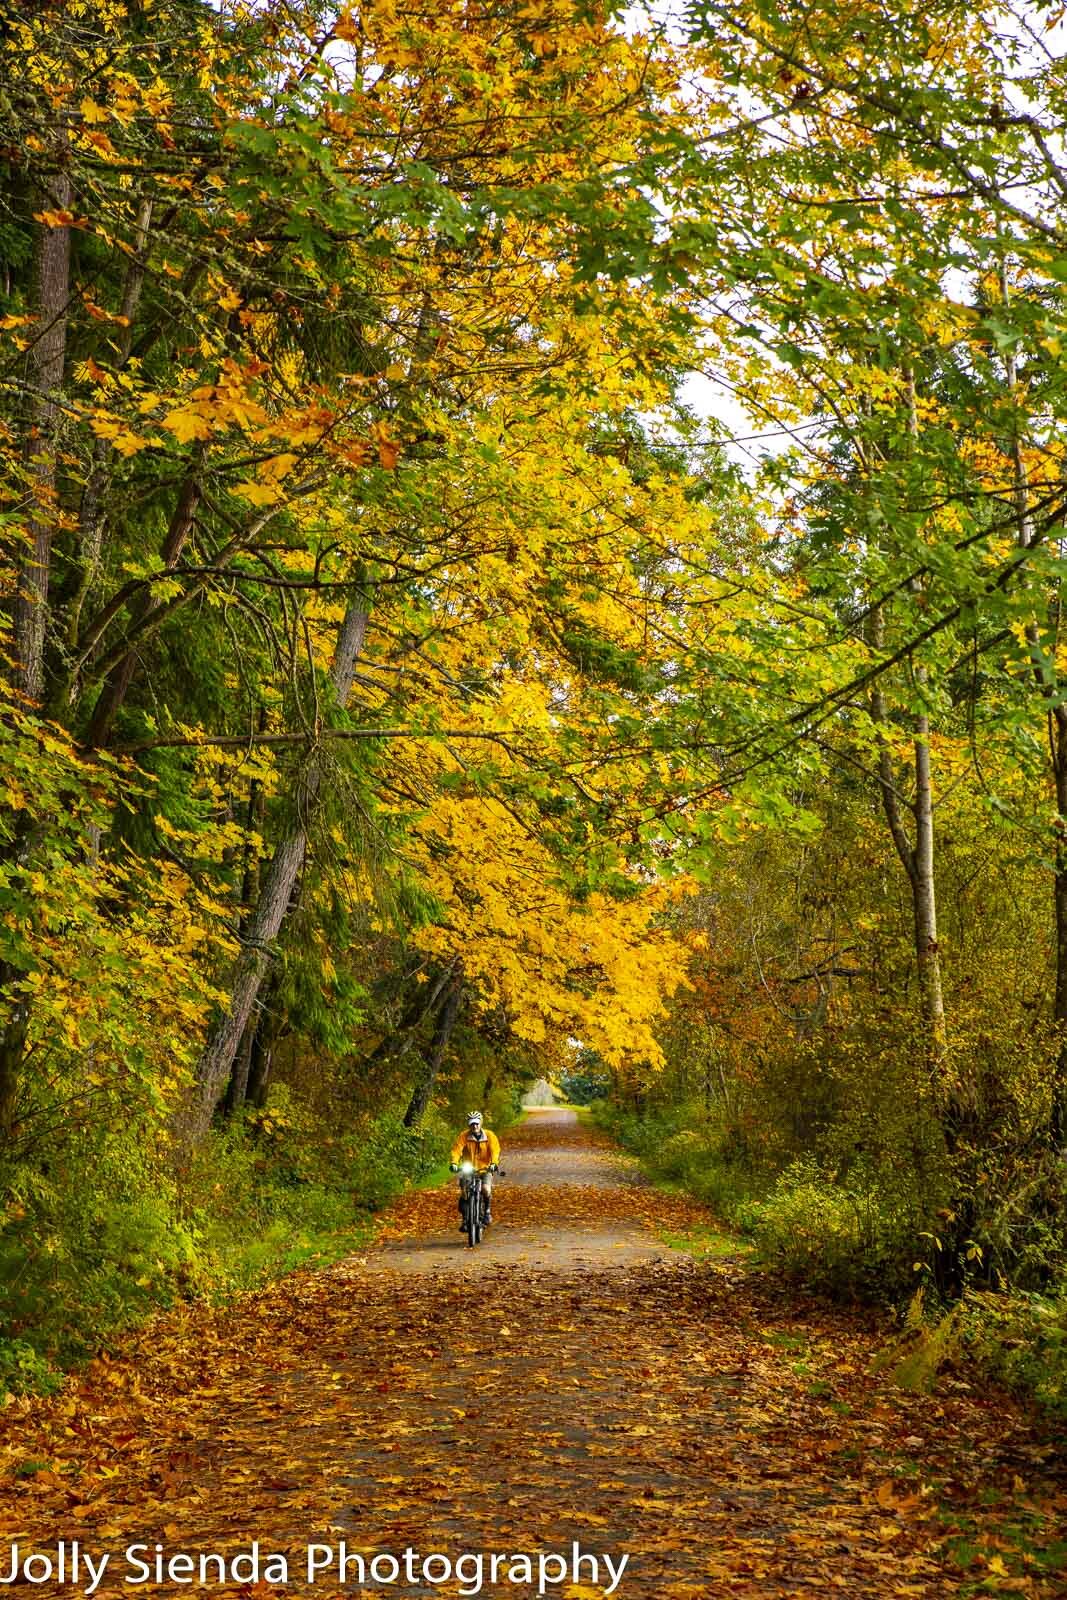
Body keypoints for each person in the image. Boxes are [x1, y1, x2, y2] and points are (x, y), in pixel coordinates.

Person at [449, 1111, 500, 1228]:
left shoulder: (490, 1135)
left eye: (477, 1123)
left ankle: (486, 1211)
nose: (475, 1126)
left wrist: (493, 1163)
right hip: (469, 1169)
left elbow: (495, 1151)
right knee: (464, 1192)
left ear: (481, 1123)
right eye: (472, 1124)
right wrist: (454, 1163)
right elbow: (456, 1150)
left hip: (485, 1169)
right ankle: (465, 1219)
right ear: (468, 1125)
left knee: (486, 1189)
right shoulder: (464, 1136)